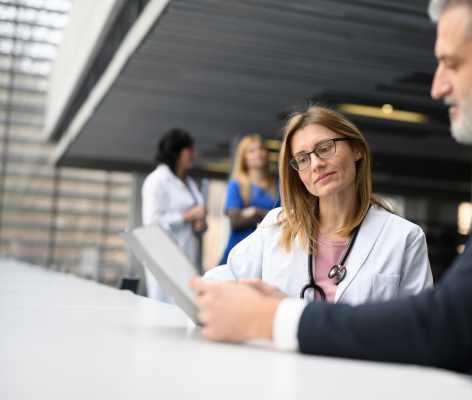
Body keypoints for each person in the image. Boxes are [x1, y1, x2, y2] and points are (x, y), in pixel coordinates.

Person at [189, 0, 472, 399]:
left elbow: (454, 323)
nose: (438, 86)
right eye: (301, 160)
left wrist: (274, 318)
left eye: (452, 63)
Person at [204, 107, 433, 304]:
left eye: (325, 148)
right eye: (302, 159)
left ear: (357, 149)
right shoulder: (276, 226)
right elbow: (213, 288)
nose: (316, 164)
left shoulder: (405, 238)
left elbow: (419, 328)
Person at [142, 128, 206, 304]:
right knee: (163, 310)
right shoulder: (156, 181)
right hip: (164, 258)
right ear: (174, 152)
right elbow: (151, 224)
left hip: (187, 256)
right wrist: (187, 216)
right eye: (189, 149)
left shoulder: (190, 182)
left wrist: (198, 224)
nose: (195, 153)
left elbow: (194, 218)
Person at [219, 134, 280, 265]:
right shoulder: (236, 185)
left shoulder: (278, 186)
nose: (258, 153)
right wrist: (270, 216)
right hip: (239, 252)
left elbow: (284, 219)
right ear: (244, 159)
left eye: (261, 148)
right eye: (252, 151)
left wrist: (253, 212)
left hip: (268, 254)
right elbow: (235, 220)